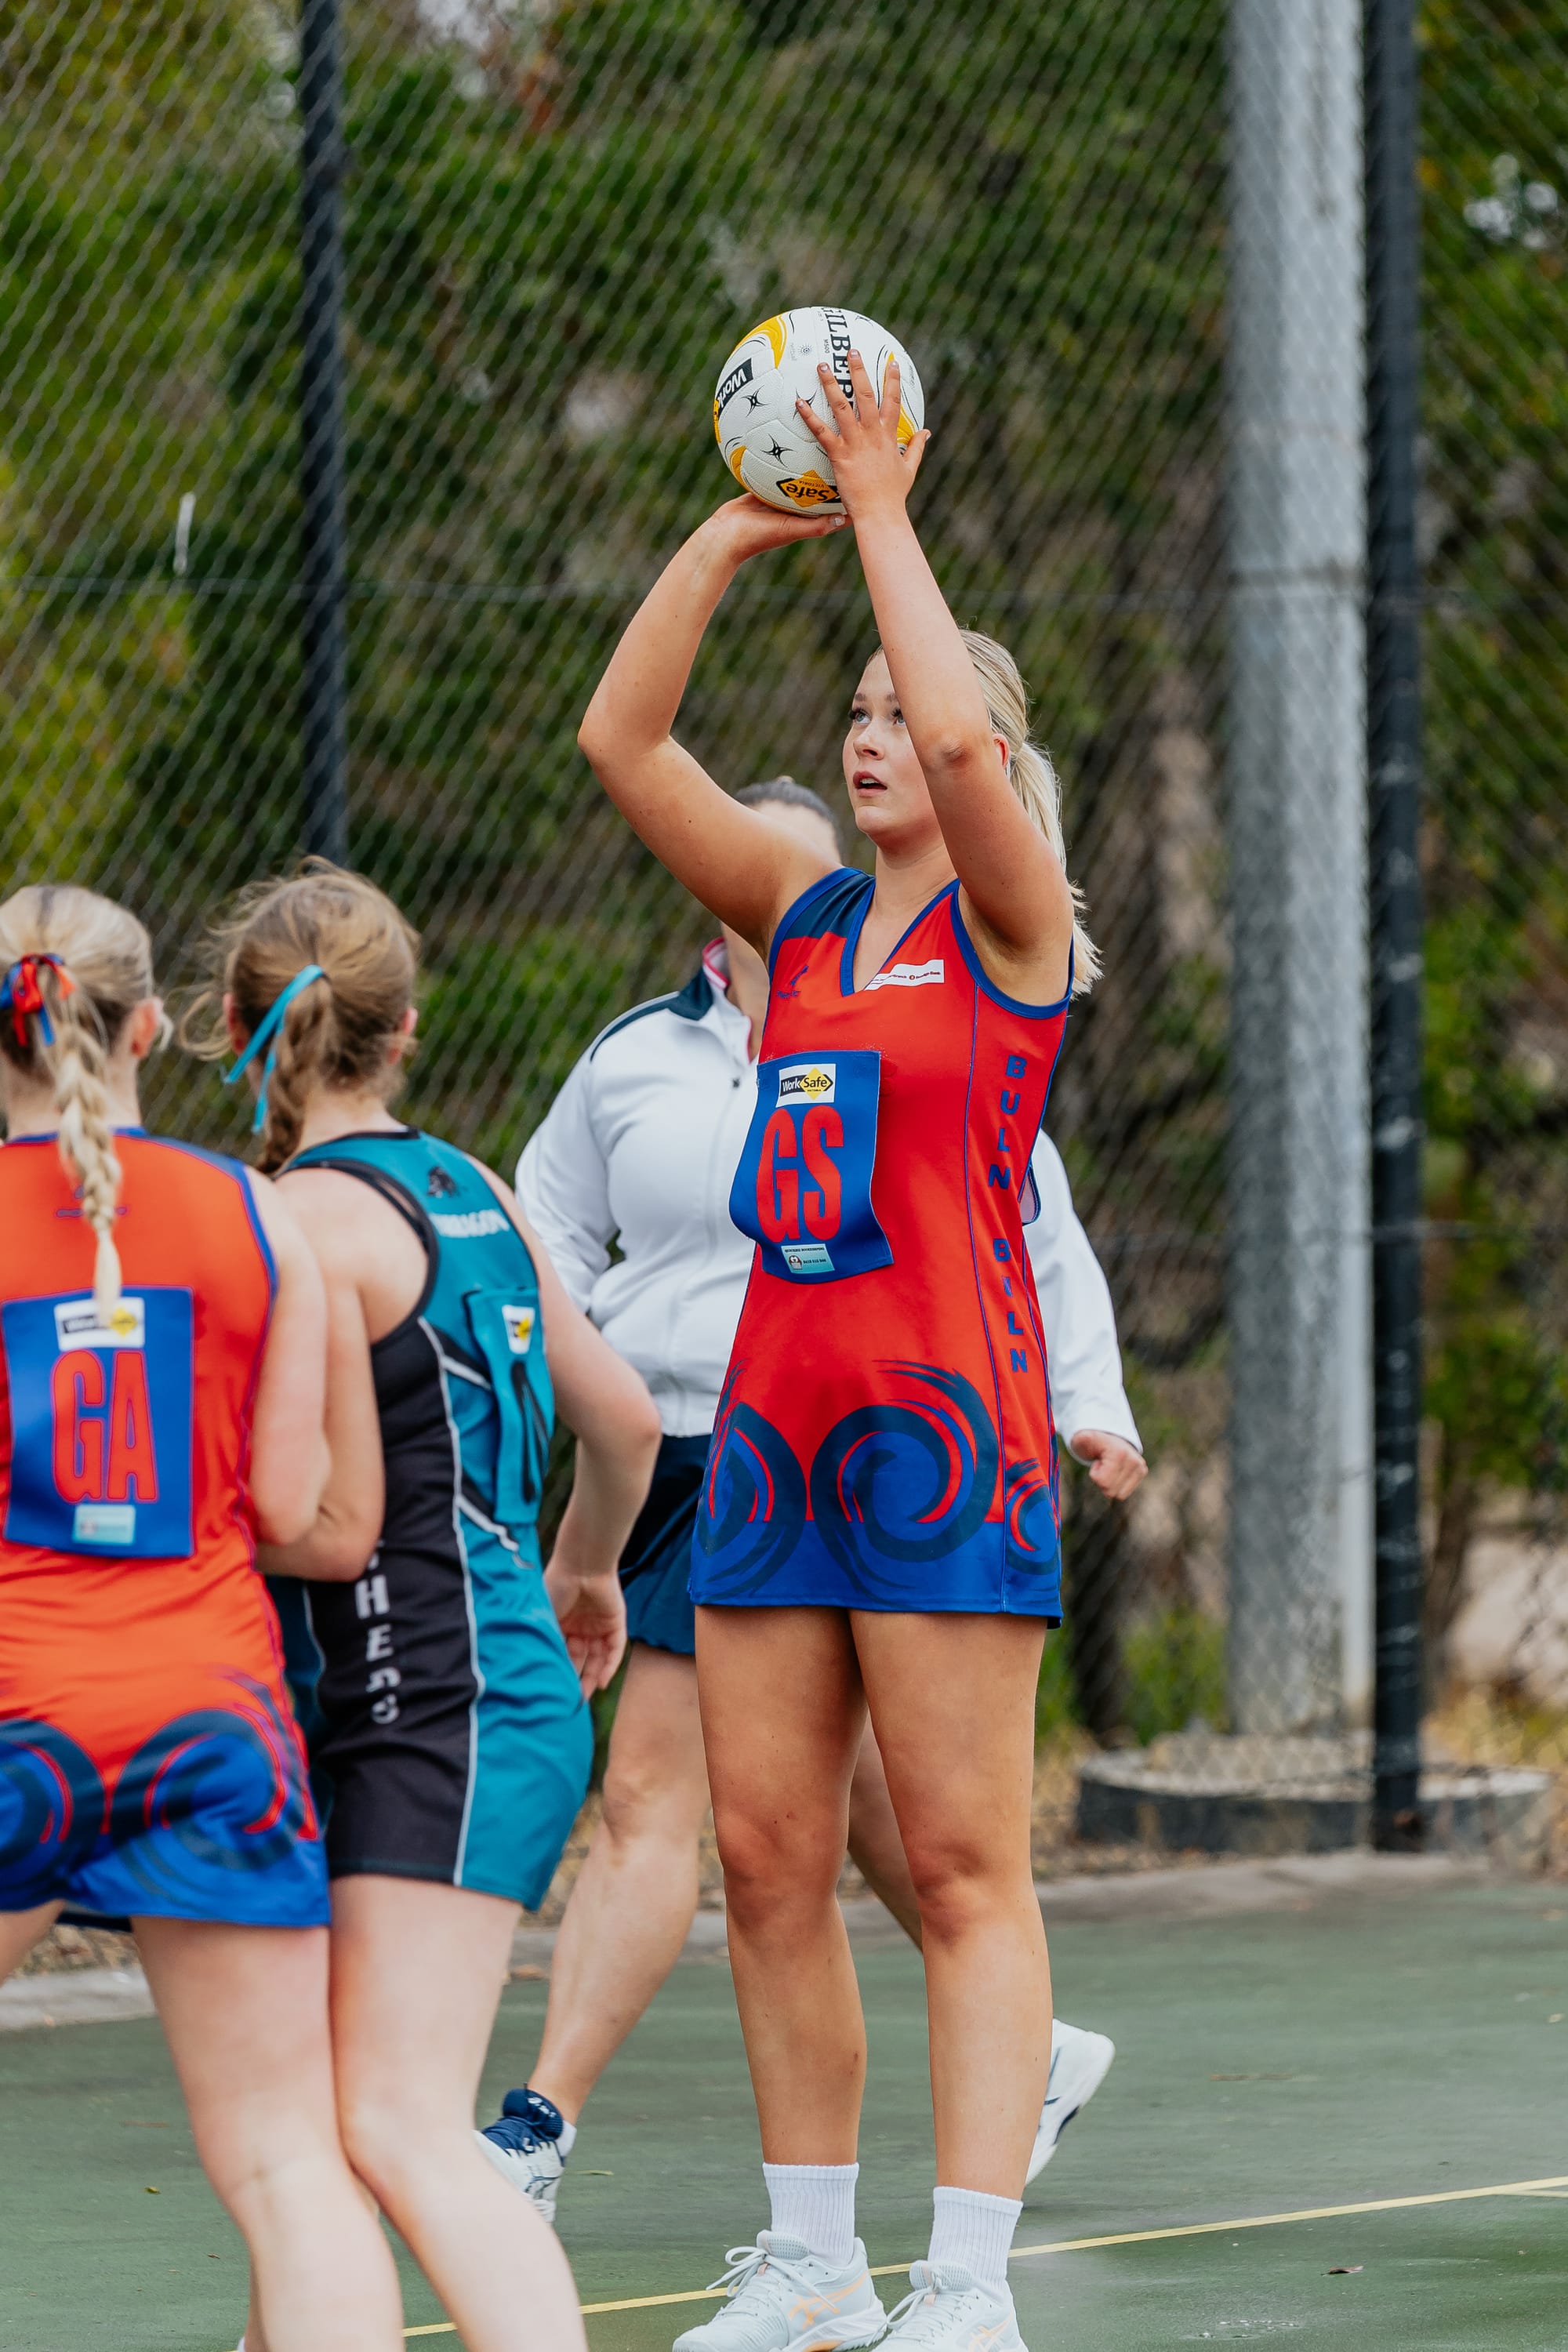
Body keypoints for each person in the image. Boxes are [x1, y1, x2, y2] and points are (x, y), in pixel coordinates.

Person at [574, 348, 1100, 2352]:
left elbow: (973, 760)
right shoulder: (797, 920)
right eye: (860, 711)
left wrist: (885, 506)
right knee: (774, 1858)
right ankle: (812, 2264)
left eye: (904, 712)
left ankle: (965, 2288)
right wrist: (734, 522)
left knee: (962, 1863)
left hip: (945, 1439)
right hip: (775, 1437)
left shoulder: (1012, 927)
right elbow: (627, 745)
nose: (880, 735)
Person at [478, 779, 1145, 2224]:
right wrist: (560, 1398)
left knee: (655, 1792)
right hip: (659, 1457)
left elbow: (1034, 1218)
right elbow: (544, 1230)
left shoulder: (907, 1029)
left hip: (795, 1449)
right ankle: (1026, 2064)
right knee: (829, 1822)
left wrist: (1092, 1403)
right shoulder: (633, 1059)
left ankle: (537, 2124)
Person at [201, 864, 661, 2352]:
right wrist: (586, 1568)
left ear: (231, 1023)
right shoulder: (474, 1190)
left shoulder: (292, 1227)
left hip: (432, 1709)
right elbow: (629, 1426)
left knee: (395, 2123)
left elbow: (310, 1518)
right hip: (466, 1690)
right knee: (330, 2134)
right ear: (401, 1035)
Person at [0, 885, 403, 2352]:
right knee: (292, 2168)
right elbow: (305, 1509)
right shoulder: (257, 1216)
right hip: (213, 1719)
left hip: (24, 1714)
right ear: (151, 1028)